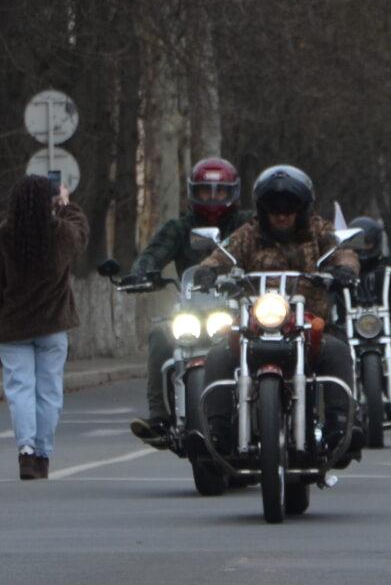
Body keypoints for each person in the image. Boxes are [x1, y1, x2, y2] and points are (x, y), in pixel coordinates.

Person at [193, 165, 361, 463]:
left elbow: (341, 252)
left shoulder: (318, 230)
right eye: (274, 209)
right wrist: (207, 271)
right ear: (263, 209)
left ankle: (341, 427)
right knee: (218, 355)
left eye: (289, 208)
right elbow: (220, 256)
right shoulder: (248, 234)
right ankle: (217, 431)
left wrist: (345, 268)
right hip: (256, 323)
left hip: (309, 322)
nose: (281, 215)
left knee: (337, 350)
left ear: (302, 208)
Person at [0, 176, 90, 480]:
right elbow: (81, 233)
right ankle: (43, 456)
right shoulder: (61, 234)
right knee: (49, 393)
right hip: (52, 327)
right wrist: (67, 204)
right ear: (49, 202)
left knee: (20, 391)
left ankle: (25, 452)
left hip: (13, 331)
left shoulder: (2, 238)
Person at [126, 156, 246, 447]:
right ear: (195, 192)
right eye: (207, 191)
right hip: (194, 307)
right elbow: (154, 253)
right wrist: (142, 272)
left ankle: (270, 407)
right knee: (160, 334)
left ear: (233, 192)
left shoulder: (247, 225)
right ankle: (159, 416)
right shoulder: (179, 227)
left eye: (220, 191)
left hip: (241, 307)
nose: (214, 198)